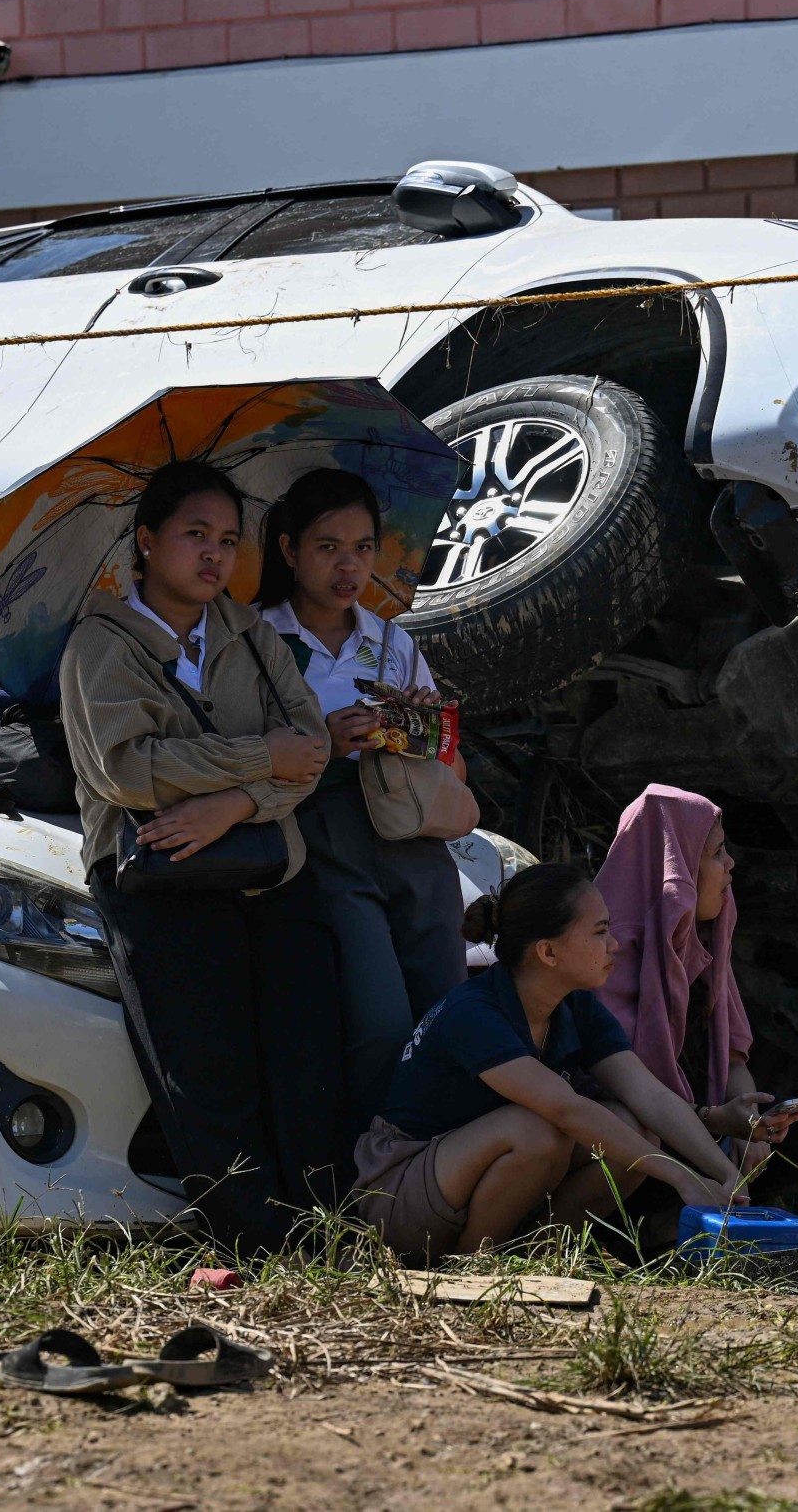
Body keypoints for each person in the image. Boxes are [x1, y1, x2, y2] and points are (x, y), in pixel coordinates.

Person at [58, 459, 338, 1253]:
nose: (213, 554)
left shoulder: (250, 633)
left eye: (226, 539)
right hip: (158, 880)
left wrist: (234, 804)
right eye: (194, 535)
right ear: (147, 541)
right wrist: (257, 764)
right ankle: (250, 1240)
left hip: (268, 872)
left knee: (300, 1055)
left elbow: (312, 749)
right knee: (203, 1067)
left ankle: (315, 1232)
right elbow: (128, 769)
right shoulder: (101, 644)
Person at [353, 862, 747, 1264]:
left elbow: (649, 1095)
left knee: (636, 1130)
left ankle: (538, 1253)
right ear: (548, 951)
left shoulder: (575, 1006)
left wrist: (726, 1176)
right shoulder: (474, 1013)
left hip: (471, 1182)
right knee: (538, 1131)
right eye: (599, 931)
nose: (614, 945)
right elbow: (566, 1109)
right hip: (400, 1196)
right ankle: (471, 1266)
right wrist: (683, 1178)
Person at [258, 467, 472, 1141]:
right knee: (377, 1018)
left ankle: (452, 1165)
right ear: (288, 550)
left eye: (362, 547)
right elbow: (237, 748)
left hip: (413, 836)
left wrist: (419, 729)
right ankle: (380, 1180)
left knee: (447, 1005)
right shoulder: (257, 640)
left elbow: (450, 762)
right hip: (325, 837)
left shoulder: (392, 640)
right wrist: (326, 737)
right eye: (327, 547)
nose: (348, 565)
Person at [594, 785, 798, 1212]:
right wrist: (719, 1125)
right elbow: (637, 1094)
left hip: (710, 1125)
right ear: (674, 871)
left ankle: (713, 1215)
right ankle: (651, 1230)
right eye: (715, 854)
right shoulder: (605, 955)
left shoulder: (702, 942)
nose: (730, 866)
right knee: (636, 1133)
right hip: (648, 1136)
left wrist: (750, 1128)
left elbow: (732, 1059)